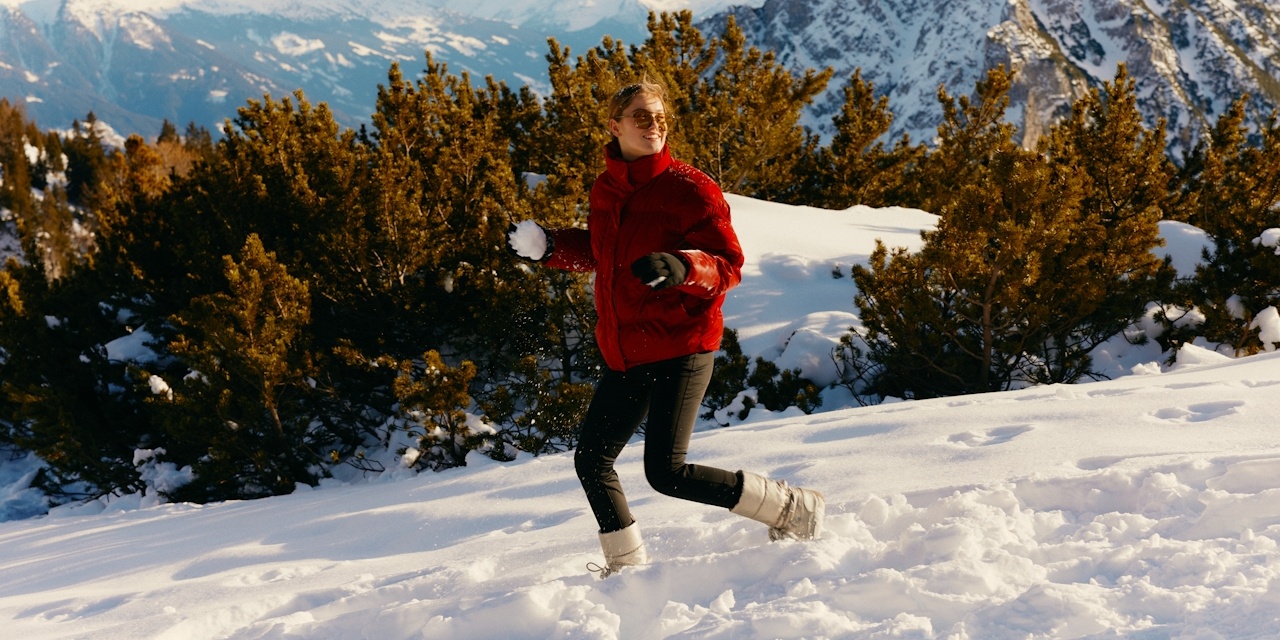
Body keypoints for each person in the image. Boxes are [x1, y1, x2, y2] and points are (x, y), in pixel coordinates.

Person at [508, 79, 824, 578]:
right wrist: (549, 246)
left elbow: (728, 265)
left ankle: (792, 509)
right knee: (592, 461)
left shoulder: (690, 189)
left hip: (682, 346)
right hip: (626, 349)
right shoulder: (607, 189)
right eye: (639, 116)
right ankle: (627, 568)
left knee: (666, 473)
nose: (652, 125)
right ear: (614, 126)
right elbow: (601, 251)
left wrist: (684, 267)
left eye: (658, 116)